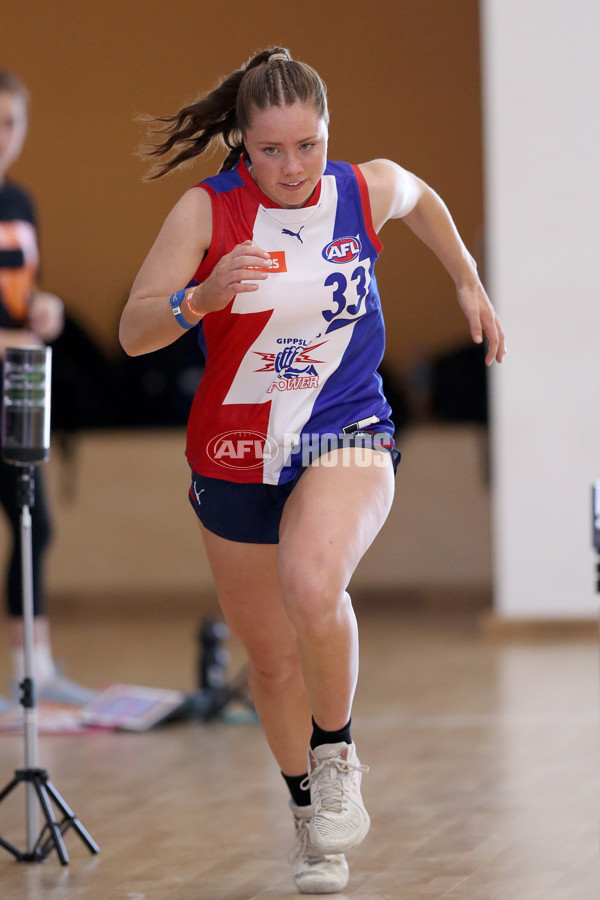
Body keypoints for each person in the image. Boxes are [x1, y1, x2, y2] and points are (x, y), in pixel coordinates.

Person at [120, 48, 505, 894]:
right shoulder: (205, 213)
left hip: (346, 428)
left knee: (311, 581)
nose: (293, 167)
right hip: (232, 452)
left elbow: (427, 200)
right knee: (269, 662)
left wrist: (469, 283)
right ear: (242, 145)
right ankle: (306, 814)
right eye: (272, 151)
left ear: (327, 134)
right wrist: (201, 297)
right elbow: (133, 330)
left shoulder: (362, 191)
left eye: (309, 145)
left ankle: (337, 757)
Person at [0, 71, 94, 711]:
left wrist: (46, 312)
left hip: (17, 384)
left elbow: (21, 298)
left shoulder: (20, 203)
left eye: (11, 123)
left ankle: (31, 670)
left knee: (33, 522)